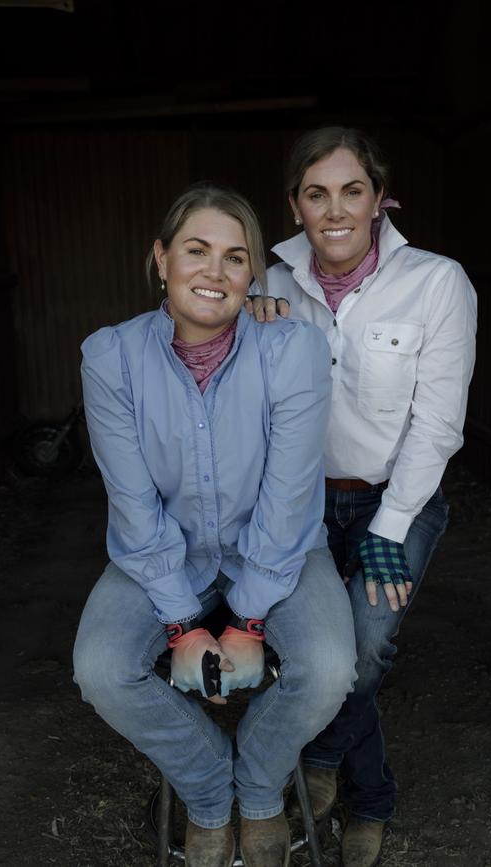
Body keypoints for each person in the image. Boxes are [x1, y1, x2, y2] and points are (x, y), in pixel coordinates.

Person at [72, 183, 357, 867]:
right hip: (161, 554)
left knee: (328, 668)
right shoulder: (111, 357)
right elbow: (133, 502)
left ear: (252, 275)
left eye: (235, 258)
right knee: (102, 667)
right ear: (161, 258)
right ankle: (207, 787)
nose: (215, 272)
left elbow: (289, 498)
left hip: (278, 550)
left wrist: (248, 620)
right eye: (196, 251)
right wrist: (182, 621)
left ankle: (258, 785)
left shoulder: (294, 350)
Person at [248, 127, 477, 867]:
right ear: (295, 205)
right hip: (302, 505)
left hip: (397, 498)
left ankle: (319, 762)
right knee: (328, 655)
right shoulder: (267, 281)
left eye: (352, 191)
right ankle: (371, 796)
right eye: (317, 194)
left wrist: (394, 519)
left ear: (380, 199)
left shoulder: (438, 282)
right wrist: (253, 328)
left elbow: (439, 420)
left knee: (368, 646)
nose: (336, 210)